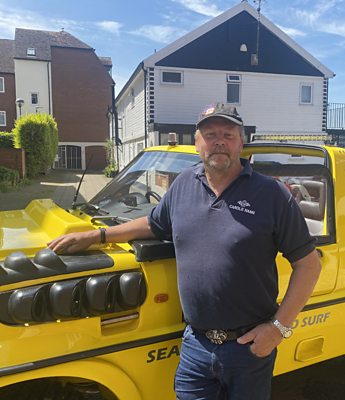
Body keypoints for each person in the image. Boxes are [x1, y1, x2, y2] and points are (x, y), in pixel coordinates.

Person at [48, 103, 322, 400]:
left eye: (228, 135)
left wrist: (278, 328)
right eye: (210, 134)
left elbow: (309, 265)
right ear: (197, 143)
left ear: (241, 143)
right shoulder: (183, 184)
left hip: (249, 348)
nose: (219, 142)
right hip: (195, 345)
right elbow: (153, 224)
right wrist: (98, 235)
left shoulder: (271, 194)